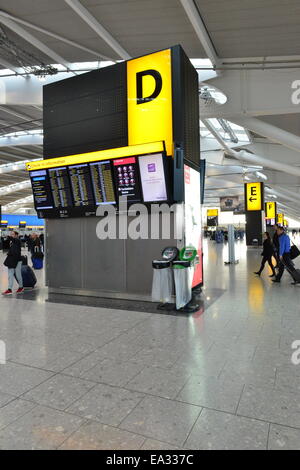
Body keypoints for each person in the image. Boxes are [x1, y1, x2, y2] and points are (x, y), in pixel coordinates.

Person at [2, 231, 24, 295]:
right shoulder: (13, 241)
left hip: (17, 260)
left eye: (12, 234)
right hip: (12, 260)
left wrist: (8, 236)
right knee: (10, 275)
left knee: (18, 274)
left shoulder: (17, 240)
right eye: (10, 234)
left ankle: (21, 287)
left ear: (16, 235)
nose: (11, 235)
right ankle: (9, 289)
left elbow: (13, 239)